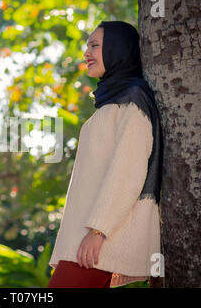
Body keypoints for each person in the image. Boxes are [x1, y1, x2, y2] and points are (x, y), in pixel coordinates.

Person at [47, 21, 163, 288]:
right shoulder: (110, 104)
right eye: (87, 45)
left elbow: (128, 170)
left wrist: (99, 230)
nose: (87, 52)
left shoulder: (133, 99)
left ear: (117, 49)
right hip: (89, 240)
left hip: (103, 239)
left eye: (95, 45)